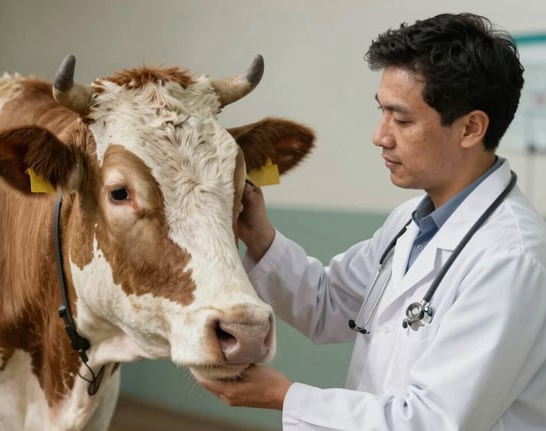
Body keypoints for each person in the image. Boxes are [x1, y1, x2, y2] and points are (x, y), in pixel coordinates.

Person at [195, 12, 546, 430]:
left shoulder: (511, 259)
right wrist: (260, 237)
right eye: (382, 113)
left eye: (401, 119)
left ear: (471, 127)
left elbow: (433, 422)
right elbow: (328, 304)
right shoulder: (410, 222)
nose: (380, 136)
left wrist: (284, 397)